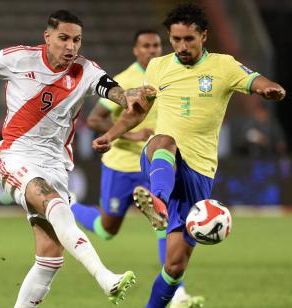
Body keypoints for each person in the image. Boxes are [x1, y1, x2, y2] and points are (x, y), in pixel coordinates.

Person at [0, 10, 150, 307]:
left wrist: (129, 96)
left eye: (77, 40)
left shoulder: (86, 70)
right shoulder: (19, 59)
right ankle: (105, 277)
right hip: (17, 156)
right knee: (55, 206)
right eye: (63, 39)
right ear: (47, 37)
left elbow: (112, 90)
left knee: (50, 259)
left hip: (56, 165)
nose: (71, 47)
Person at [92, 4, 286, 307]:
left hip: (199, 174)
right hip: (162, 160)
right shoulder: (158, 67)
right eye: (176, 39)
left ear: (204, 36)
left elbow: (256, 80)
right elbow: (138, 111)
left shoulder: (224, 66)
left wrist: (269, 89)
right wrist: (111, 134)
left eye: (188, 39)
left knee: (174, 266)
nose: (182, 46)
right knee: (164, 141)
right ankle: (157, 202)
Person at [71, 29, 203, 307]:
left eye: (156, 45)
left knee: (164, 223)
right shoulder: (125, 80)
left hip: (154, 164)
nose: (152, 50)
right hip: (120, 166)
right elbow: (96, 120)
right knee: (107, 230)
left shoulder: (169, 75)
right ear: (136, 50)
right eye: (146, 46)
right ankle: (67, 206)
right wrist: (132, 135)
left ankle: (178, 295)